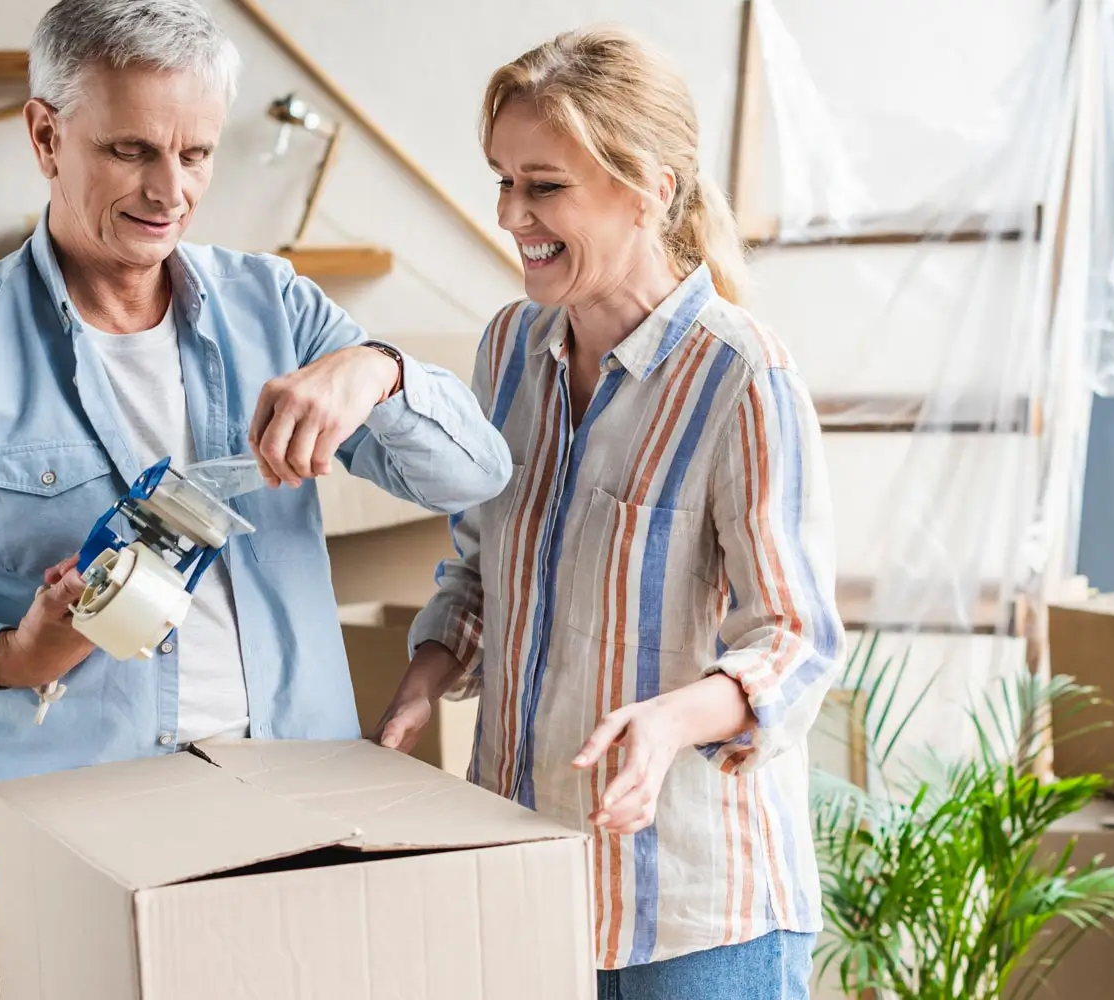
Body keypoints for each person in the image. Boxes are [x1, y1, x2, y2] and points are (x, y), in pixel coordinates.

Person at [0, 2, 509, 997]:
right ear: (45, 135)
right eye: (131, 150)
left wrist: (373, 370)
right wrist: (3, 654)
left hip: (301, 850)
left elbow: (474, 472)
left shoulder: (277, 309)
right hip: (66, 883)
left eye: (196, 153)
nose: (172, 191)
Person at [373, 27, 840, 999]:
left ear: (648, 188)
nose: (510, 215)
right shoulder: (507, 348)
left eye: (543, 186)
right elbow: (477, 566)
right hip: (524, 889)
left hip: (699, 919)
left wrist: (670, 721)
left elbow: (794, 644)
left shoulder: (740, 377)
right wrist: (424, 678)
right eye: (502, 180)